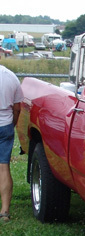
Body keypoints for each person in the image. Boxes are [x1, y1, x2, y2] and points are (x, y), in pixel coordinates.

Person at [0, 64, 23, 223]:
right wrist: (12, 124)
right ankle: (5, 211)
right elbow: (17, 108)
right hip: (5, 125)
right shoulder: (11, 77)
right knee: (3, 167)